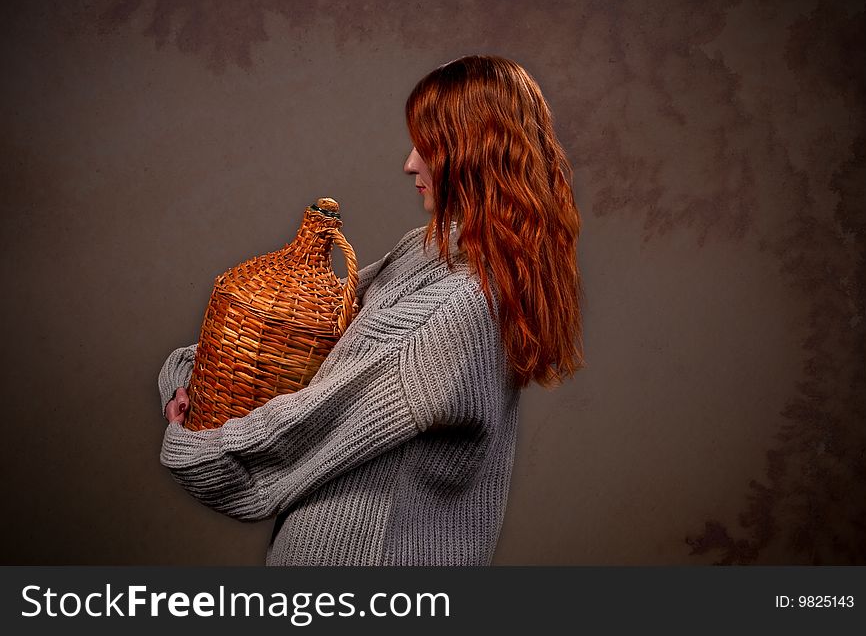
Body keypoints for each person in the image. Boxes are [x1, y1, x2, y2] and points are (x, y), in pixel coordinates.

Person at [158, 55, 584, 565]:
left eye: (427, 145)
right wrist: (198, 373)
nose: (409, 163)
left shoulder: (459, 305)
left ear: (474, 151)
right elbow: (319, 333)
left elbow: (311, 426)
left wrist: (193, 441)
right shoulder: (436, 254)